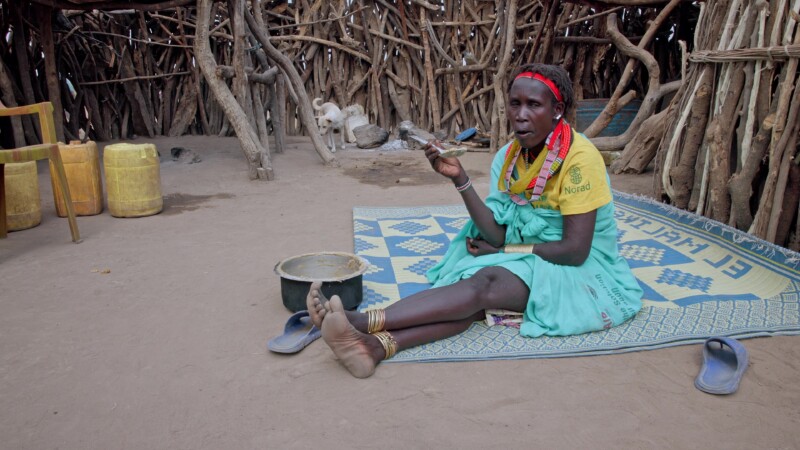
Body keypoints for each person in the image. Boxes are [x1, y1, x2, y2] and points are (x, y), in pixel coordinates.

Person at [306, 63, 643, 378]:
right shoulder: (509, 157)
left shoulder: (580, 159)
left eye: (534, 105)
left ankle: (361, 321)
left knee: (486, 283)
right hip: (534, 254)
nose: (521, 116)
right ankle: (373, 348)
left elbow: (574, 251)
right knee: (472, 300)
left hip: (583, 271)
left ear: (557, 111)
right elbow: (496, 232)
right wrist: (460, 179)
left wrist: (505, 250)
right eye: (515, 103)